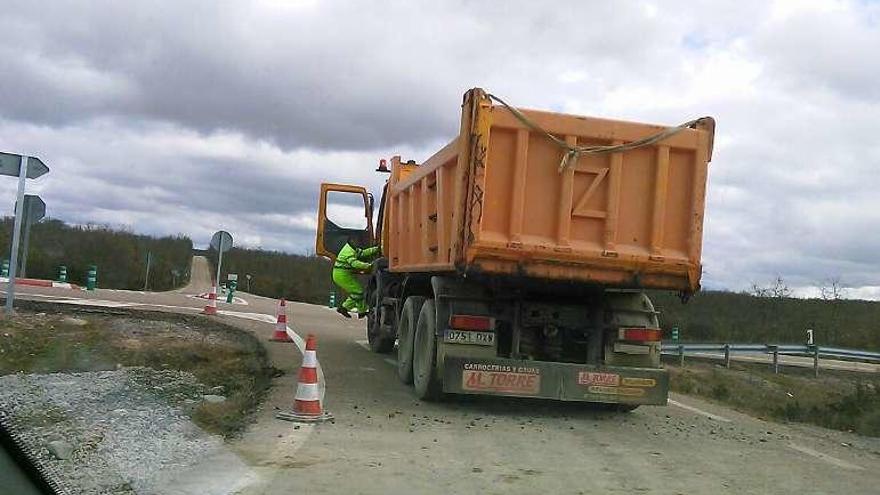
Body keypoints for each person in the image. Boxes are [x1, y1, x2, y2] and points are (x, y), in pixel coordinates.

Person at [332, 238, 380, 318]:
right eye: (356, 241)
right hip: (341, 275)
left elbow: (363, 253)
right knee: (358, 292)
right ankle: (344, 307)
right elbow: (355, 264)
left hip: (343, 274)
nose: (358, 243)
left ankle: (362, 311)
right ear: (351, 241)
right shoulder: (348, 252)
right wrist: (369, 266)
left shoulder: (352, 248)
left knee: (359, 292)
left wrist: (376, 249)